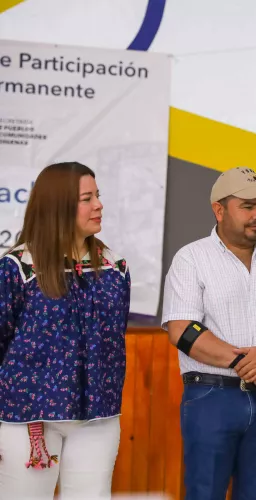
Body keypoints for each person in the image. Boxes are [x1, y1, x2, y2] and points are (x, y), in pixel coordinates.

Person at [161, 167, 256, 500]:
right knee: (205, 494)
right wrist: (251, 366)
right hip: (212, 397)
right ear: (219, 210)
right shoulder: (192, 258)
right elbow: (183, 330)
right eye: (247, 206)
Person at [0, 162, 131, 500]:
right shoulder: (18, 267)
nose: (99, 205)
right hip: (28, 418)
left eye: (97, 195)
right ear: (58, 205)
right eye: (87, 199)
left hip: (98, 417)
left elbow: (114, 341)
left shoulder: (115, 268)